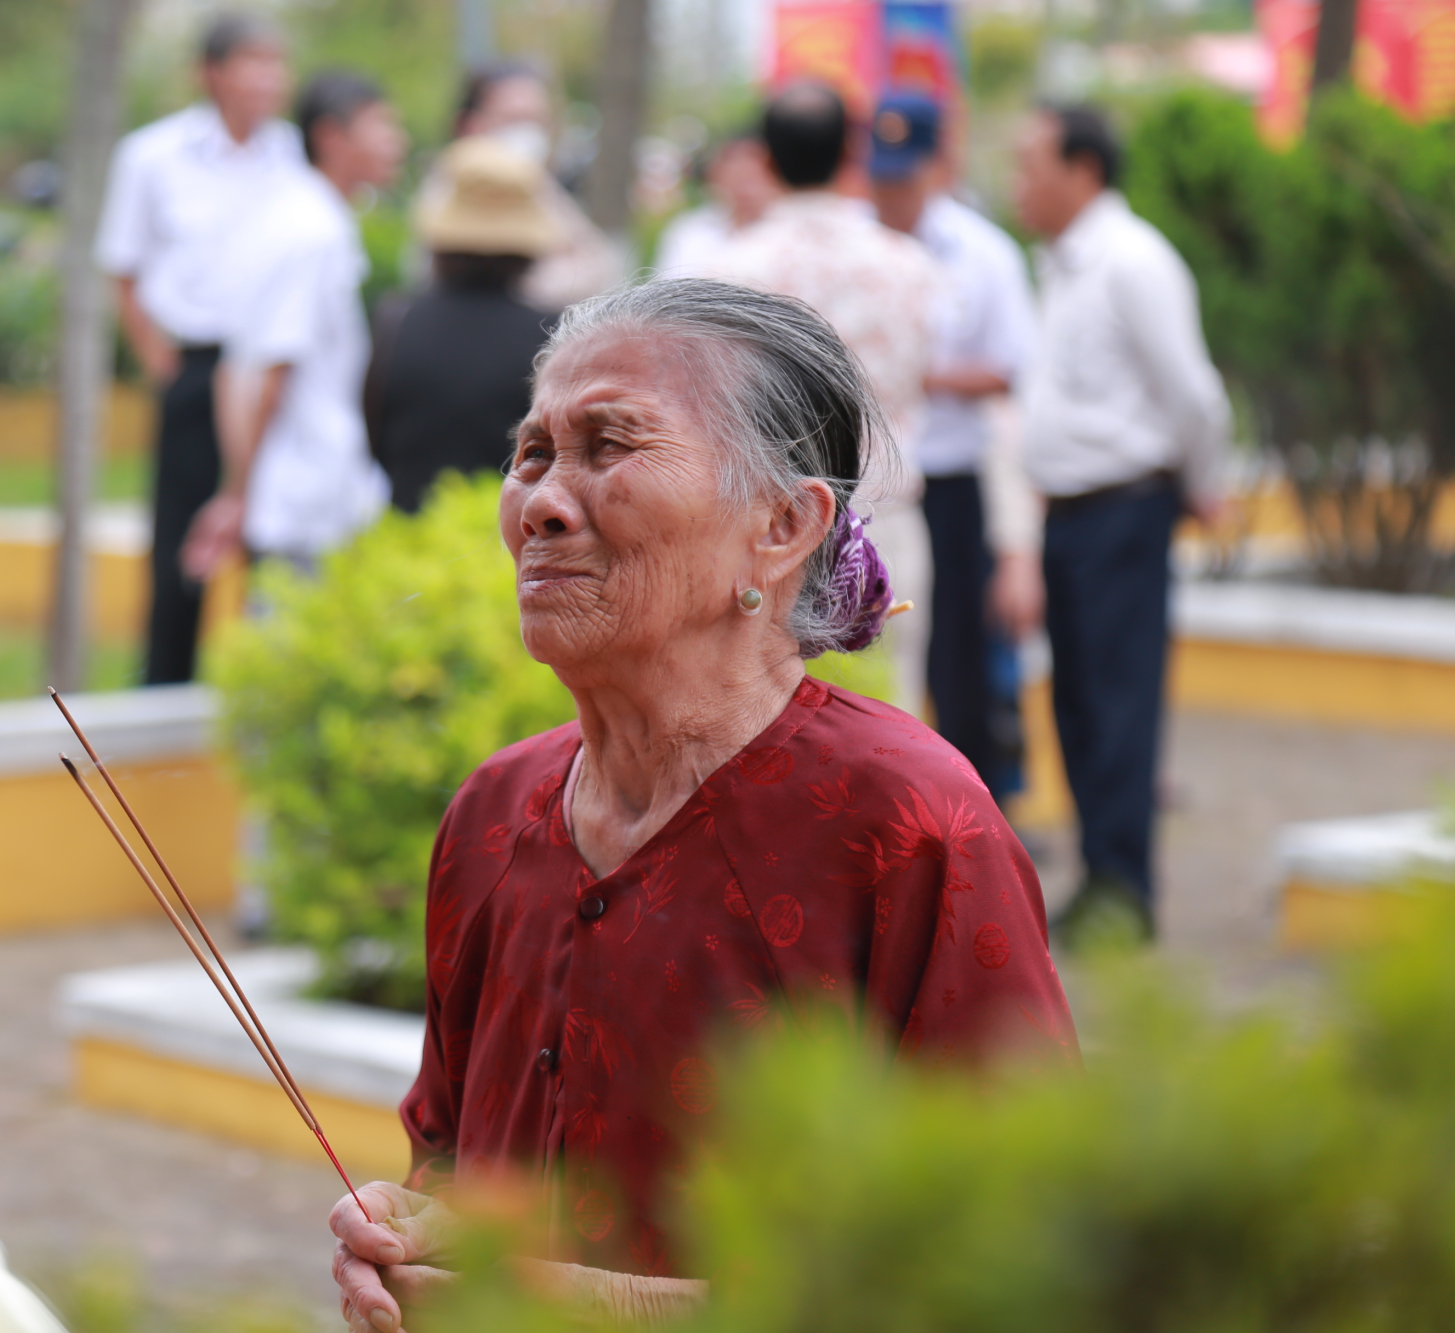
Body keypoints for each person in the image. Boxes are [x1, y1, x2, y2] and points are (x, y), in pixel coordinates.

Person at [327, 281, 1077, 1330]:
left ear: (779, 523)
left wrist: (611, 1311)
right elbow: (456, 1155)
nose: (538, 500)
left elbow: (1012, 1262)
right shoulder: (495, 813)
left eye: (608, 446)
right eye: (532, 453)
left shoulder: (908, 825)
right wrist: (411, 1233)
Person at [1012, 104, 1230, 942]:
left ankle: (1125, 892)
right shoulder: (1063, 265)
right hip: (1069, 514)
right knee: (1076, 702)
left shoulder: (1134, 262)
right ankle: (1100, 877)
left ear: (1083, 170)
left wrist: (1205, 486)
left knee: (1119, 704)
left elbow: (1195, 396)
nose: (1017, 182)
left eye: (1030, 163)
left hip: (1126, 509)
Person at [707, 81, 942, 718]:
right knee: (890, 734)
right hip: (887, 522)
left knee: (767, 741)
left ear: (765, 158)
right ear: (853, 153)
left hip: (767, 538)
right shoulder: (910, 264)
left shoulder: (723, 271)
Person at [94, 13, 300, 684]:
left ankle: (262, 678)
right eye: (252, 62)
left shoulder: (288, 153)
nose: (268, 79)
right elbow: (122, 269)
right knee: (180, 534)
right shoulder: (153, 156)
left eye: (275, 63)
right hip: (196, 363)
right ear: (210, 73)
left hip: (268, 363)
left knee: (270, 519)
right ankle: (165, 684)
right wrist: (160, 361)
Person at [867, 92, 1042, 799]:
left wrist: (917, 375)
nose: (891, 196)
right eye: (881, 179)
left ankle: (973, 820)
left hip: (954, 479)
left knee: (964, 666)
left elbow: (1012, 369)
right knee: (877, 654)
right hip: (875, 487)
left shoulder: (983, 254)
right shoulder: (854, 248)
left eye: (904, 179)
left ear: (937, 168)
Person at [179, 73, 406, 579]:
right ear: (330, 137)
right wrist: (237, 492)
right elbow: (269, 373)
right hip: (305, 496)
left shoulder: (313, 218)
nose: (397, 141)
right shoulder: (309, 230)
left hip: (315, 489)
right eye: (381, 125)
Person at [365, 136, 557, 513]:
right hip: (516, 543)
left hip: (406, 537)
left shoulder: (397, 319)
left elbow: (375, 438)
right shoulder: (555, 334)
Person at [418, 60, 625, 311]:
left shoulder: (542, 186)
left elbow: (600, 267)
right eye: (513, 118)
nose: (528, 132)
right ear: (470, 125)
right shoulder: (450, 191)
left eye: (538, 120)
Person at [652, 134, 785, 278]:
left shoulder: (790, 234)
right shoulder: (691, 230)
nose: (746, 189)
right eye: (737, 177)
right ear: (718, 177)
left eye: (754, 178)